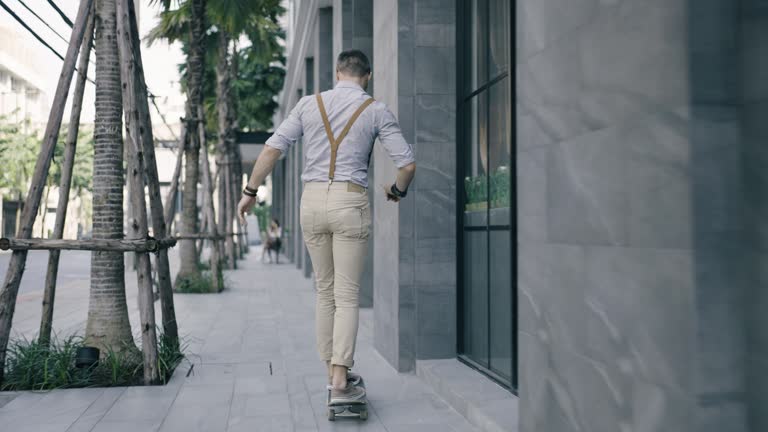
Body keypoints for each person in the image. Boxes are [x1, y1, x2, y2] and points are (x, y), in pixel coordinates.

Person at [238, 49, 416, 406]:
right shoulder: (375, 110)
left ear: (337, 72)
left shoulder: (308, 104)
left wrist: (250, 192)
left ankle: (329, 371)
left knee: (325, 291)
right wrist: (396, 191)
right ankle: (340, 377)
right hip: (350, 202)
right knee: (347, 294)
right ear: (367, 76)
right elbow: (407, 164)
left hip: (312, 202)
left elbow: (273, 148)